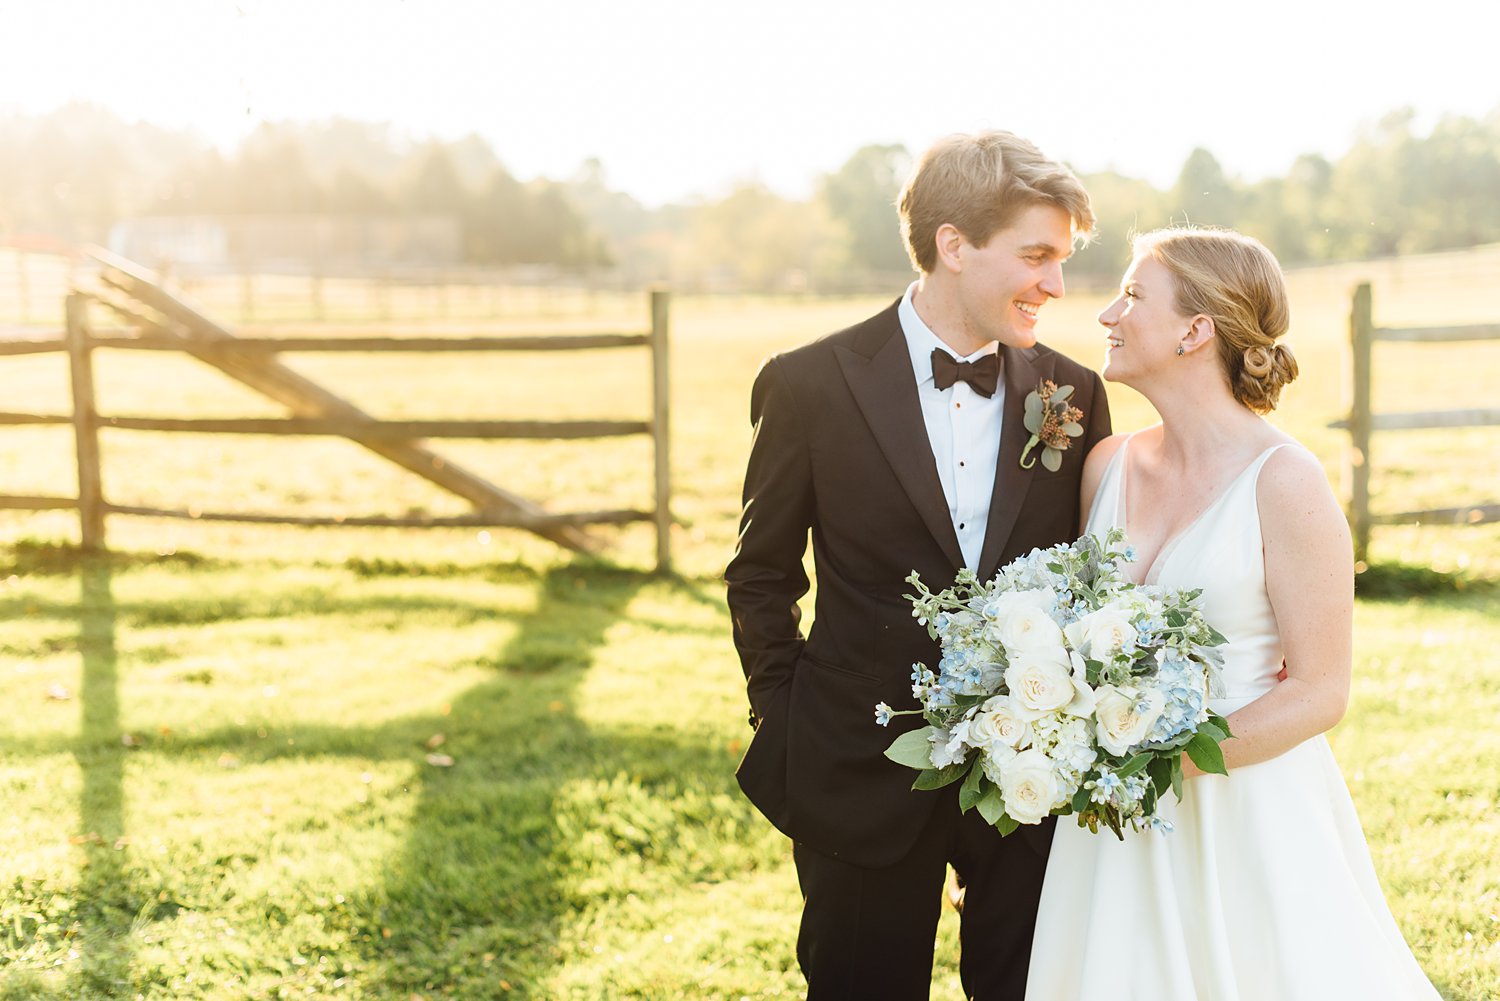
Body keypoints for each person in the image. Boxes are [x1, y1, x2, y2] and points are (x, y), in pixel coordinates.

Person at [726, 130, 1112, 1000]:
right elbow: (761, 574)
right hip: (856, 764)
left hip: (1031, 775)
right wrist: (784, 717)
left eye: (1064, 258)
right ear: (954, 245)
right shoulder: (809, 383)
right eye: (1038, 255)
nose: (1057, 284)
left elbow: (1093, 574)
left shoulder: (1074, 393)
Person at [1026, 227, 1440, 999]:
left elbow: (1321, 689)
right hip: (1110, 829)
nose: (1107, 313)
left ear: (1195, 329)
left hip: (1242, 810)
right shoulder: (1105, 465)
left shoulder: (1285, 481)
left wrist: (1148, 765)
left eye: (1132, 295)